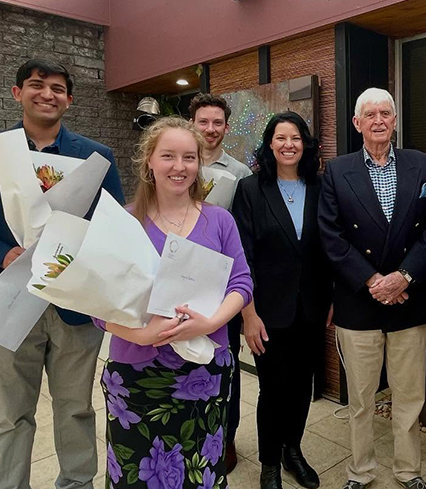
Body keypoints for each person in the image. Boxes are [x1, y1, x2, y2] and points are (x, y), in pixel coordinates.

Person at [0, 59, 124, 489]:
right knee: (10, 413)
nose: (47, 94)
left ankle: (76, 483)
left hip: (74, 305)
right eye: (37, 85)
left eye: (57, 88)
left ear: (69, 99)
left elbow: (115, 230)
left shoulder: (96, 157)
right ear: (17, 93)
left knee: (75, 407)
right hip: (5, 299)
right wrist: (2, 255)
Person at [93, 117, 253, 489]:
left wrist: (211, 323)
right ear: (149, 160)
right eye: (168, 156)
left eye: (189, 157)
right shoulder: (124, 221)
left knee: (200, 471)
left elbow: (241, 283)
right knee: (138, 475)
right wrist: (142, 333)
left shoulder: (219, 220)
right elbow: (96, 304)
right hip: (136, 373)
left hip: (204, 370)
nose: (179, 167)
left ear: (200, 163)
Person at [318, 87, 426, 489]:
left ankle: (408, 470)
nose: (378, 120)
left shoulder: (421, 164)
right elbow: (331, 236)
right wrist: (374, 280)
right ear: (357, 123)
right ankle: (361, 471)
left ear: (394, 120)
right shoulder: (337, 171)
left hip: (410, 300)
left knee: (410, 397)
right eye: (369, 114)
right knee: (361, 400)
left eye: (385, 113)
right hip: (360, 302)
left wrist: (403, 277)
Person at [232, 112, 332, 489]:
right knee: (273, 389)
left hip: (312, 306)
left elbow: (331, 248)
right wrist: (248, 314)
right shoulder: (250, 189)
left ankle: (294, 450)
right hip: (267, 311)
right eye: (280, 137)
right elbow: (244, 255)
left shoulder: (321, 186)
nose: (288, 144)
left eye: (296, 137)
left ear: (305, 144)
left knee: (302, 386)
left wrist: (333, 297)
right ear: (269, 144)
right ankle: (270, 463)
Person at [188, 92, 252, 472]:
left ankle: (226, 438)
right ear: (191, 123)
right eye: (203, 121)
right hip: (180, 280)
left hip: (223, 283)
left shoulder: (241, 173)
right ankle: (192, 431)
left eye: (217, 123)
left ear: (226, 128)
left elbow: (243, 234)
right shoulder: (177, 160)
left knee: (226, 363)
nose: (210, 129)